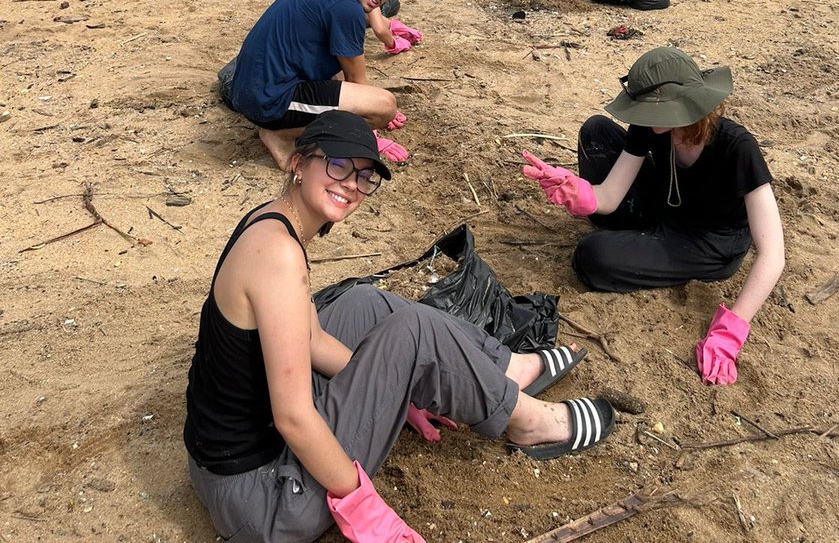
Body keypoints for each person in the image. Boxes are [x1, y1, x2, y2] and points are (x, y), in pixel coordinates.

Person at [184, 110, 616, 543]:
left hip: (219, 466)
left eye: (365, 176)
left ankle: (503, 371)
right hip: (263, 496)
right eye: (337, 165)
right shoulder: (279, 256)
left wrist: (394, 388)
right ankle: (527, 420)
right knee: (413, 331)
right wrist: (366, 510)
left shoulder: (273, 221)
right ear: (298, 162)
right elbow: (293, 417)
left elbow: (312, 340)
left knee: (363, 302)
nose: (351, 184)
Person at [522, 47, 785, 386]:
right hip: (665, 206)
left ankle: (639, 243)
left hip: (706, 241)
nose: (645, 118)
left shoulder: (737, 147)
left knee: (594, 256)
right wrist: (579, 192)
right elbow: (610, 195)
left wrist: (731, 330)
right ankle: (640, 238)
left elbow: (773, 254)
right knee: (597, 131)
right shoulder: (650, 127)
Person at [225, 0, 410, 169]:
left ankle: (283, 125)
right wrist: (368, 132)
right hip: (267, 101)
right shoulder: (347, 8)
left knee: (357, 92)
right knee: (385, 105)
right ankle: (280, 136)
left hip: (249, 89)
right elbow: (358, 83)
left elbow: (343, 69)